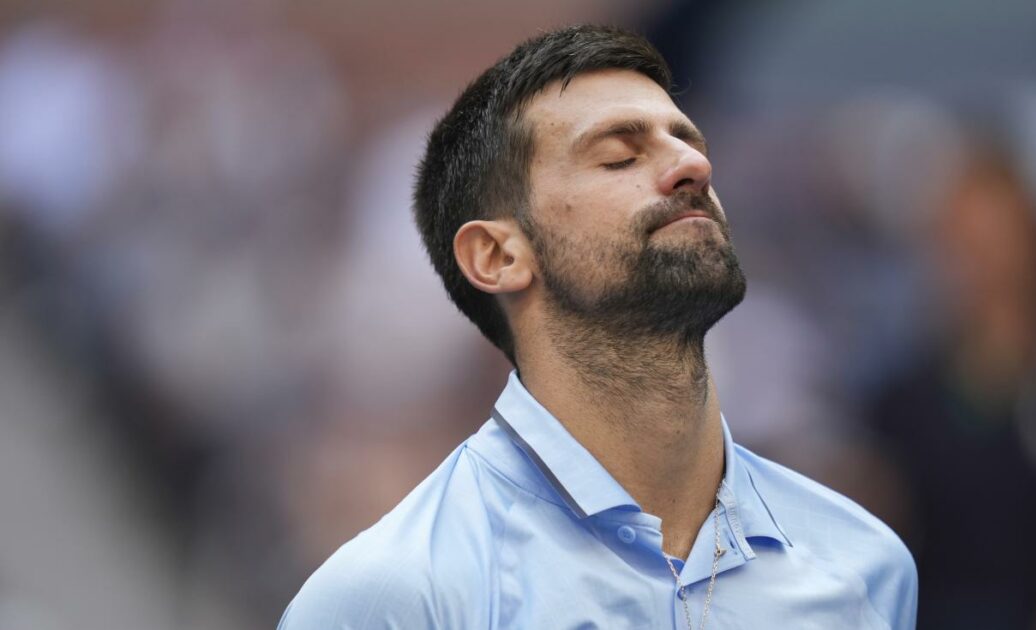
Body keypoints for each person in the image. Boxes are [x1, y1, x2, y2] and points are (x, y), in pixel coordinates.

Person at [279, 25, 917, 629]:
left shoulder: (863, 564)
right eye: (619, 157)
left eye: (689, 143)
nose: (693, 167)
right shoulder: (398, 594)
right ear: (497, 255)